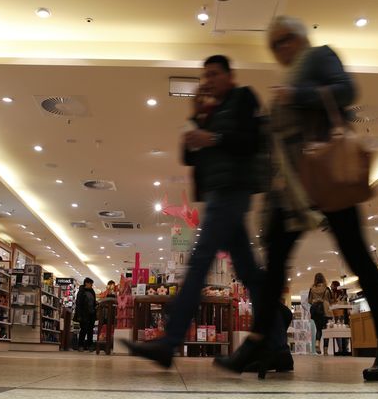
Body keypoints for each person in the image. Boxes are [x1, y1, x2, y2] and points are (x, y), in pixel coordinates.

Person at [216, 16, 378, 381]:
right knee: (274, 264)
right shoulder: (288, 78)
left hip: (325, 174)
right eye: (275, 44)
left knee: (358, 259)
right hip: (293, 187)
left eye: (286, 39)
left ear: (300, 38)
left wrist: (299, 95)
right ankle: (258, 342)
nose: (281, 48)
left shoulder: (319, 57)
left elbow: (347, 90)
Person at [124, 55, 292, 372]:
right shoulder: (208, 111)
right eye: (205, 75)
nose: (208, 80)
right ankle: (278, 342)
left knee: (200, 261)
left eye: (214, 74)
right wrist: (197, 118)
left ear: (230, 75)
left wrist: (211, 137)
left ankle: (169, 342)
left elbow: (250, 141)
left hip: (233, 191)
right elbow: (188, 156)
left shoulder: (243, 98)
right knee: (250, 274)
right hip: (217, 194)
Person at [308, 273, 331, 355]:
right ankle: (325, 350)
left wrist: (315, 300)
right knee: (326, 330)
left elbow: (309, 301)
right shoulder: (326, 288)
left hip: (315, 311)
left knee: (318, 329)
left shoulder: (312, 289)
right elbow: (330, 300)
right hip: (325, 311)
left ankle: (317, 342)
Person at [74, 277, 97, 352]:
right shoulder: (81, 292)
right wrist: (79, 315)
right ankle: (80, 345)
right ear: (86, 283)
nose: (92, 285)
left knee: (90, 330)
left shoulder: (92, 291)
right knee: (83, 330)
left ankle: (90, 345)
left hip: (91, 314)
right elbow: (79, 304)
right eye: (91, 284)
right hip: (84, 314)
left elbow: (93, 302)